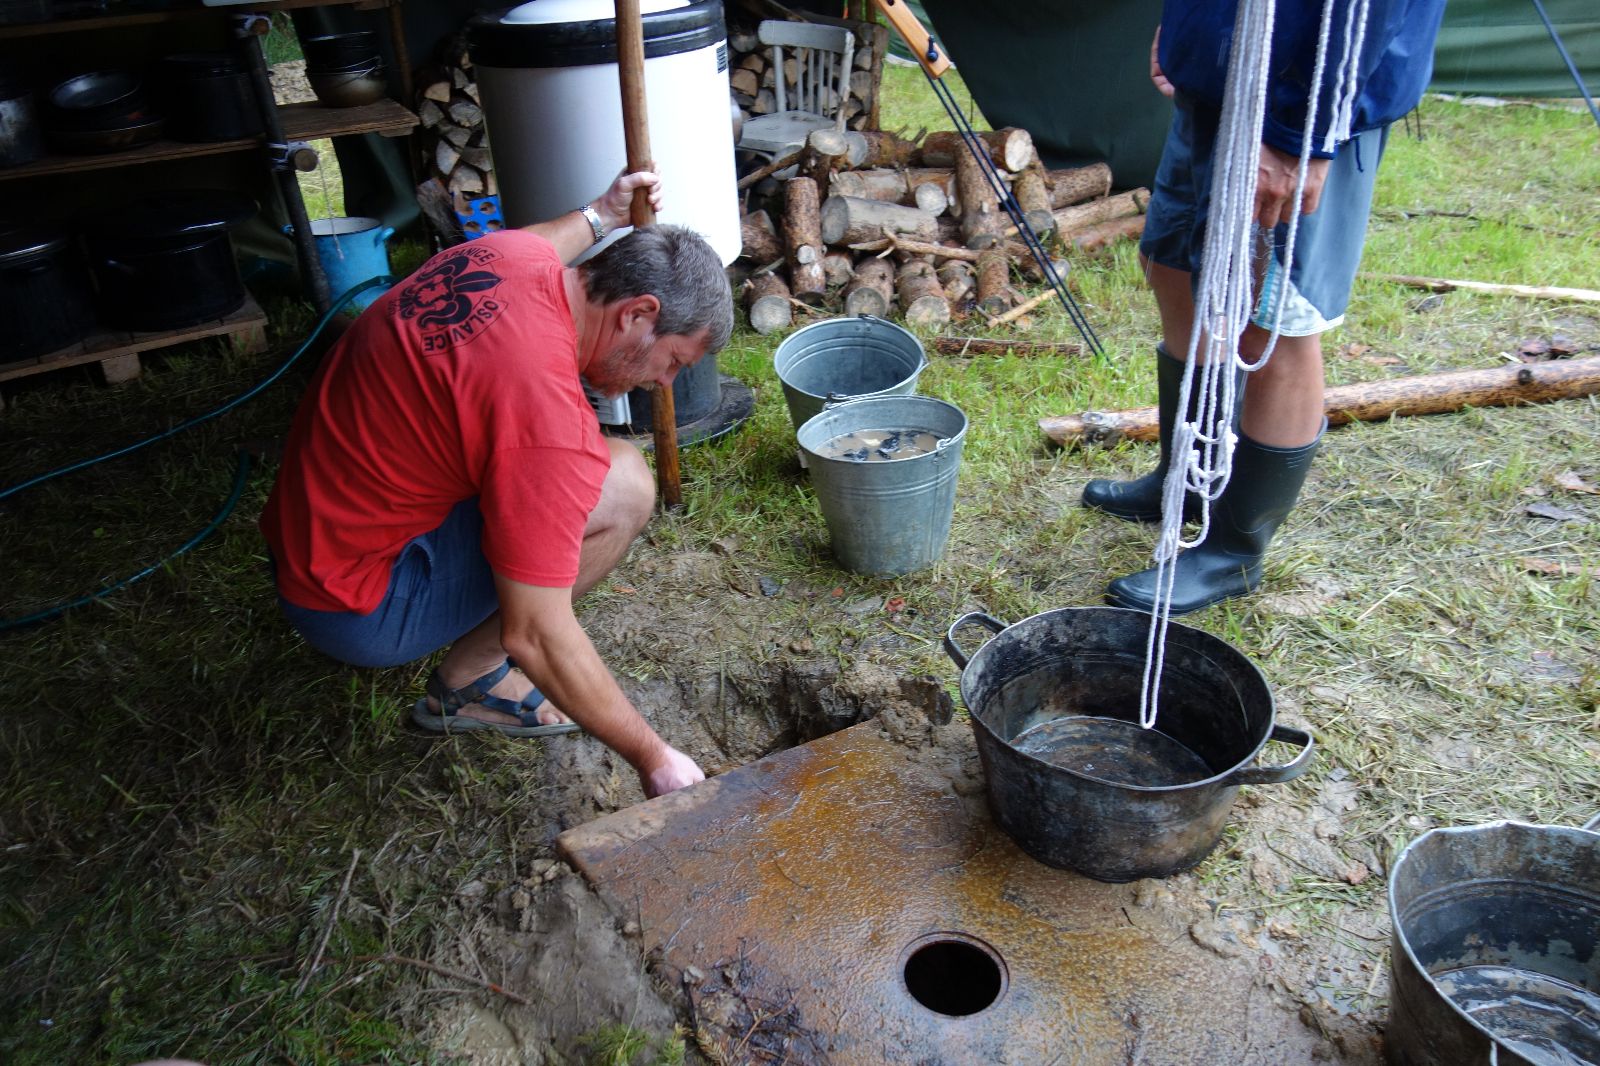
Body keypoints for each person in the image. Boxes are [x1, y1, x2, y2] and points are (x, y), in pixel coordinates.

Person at [260, 171, 733, 799]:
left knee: (602, 469)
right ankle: (471, 682)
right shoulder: (544, 420)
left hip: (312, 531)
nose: (664, 383)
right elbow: (536, 633)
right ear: (638, 313)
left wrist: (601, 213)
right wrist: (654, 757)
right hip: (355, 603)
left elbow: (551, 241)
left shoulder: (506, 255)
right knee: (624, 487)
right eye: (673, 360)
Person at [1083, 0, 1447, 614]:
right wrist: (1188, 30)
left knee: (1271, 322)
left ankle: (1235, 550)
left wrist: (1300, 134)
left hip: (1302, 99)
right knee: (1172, 265)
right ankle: (1189, 480)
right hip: (1225, 81)